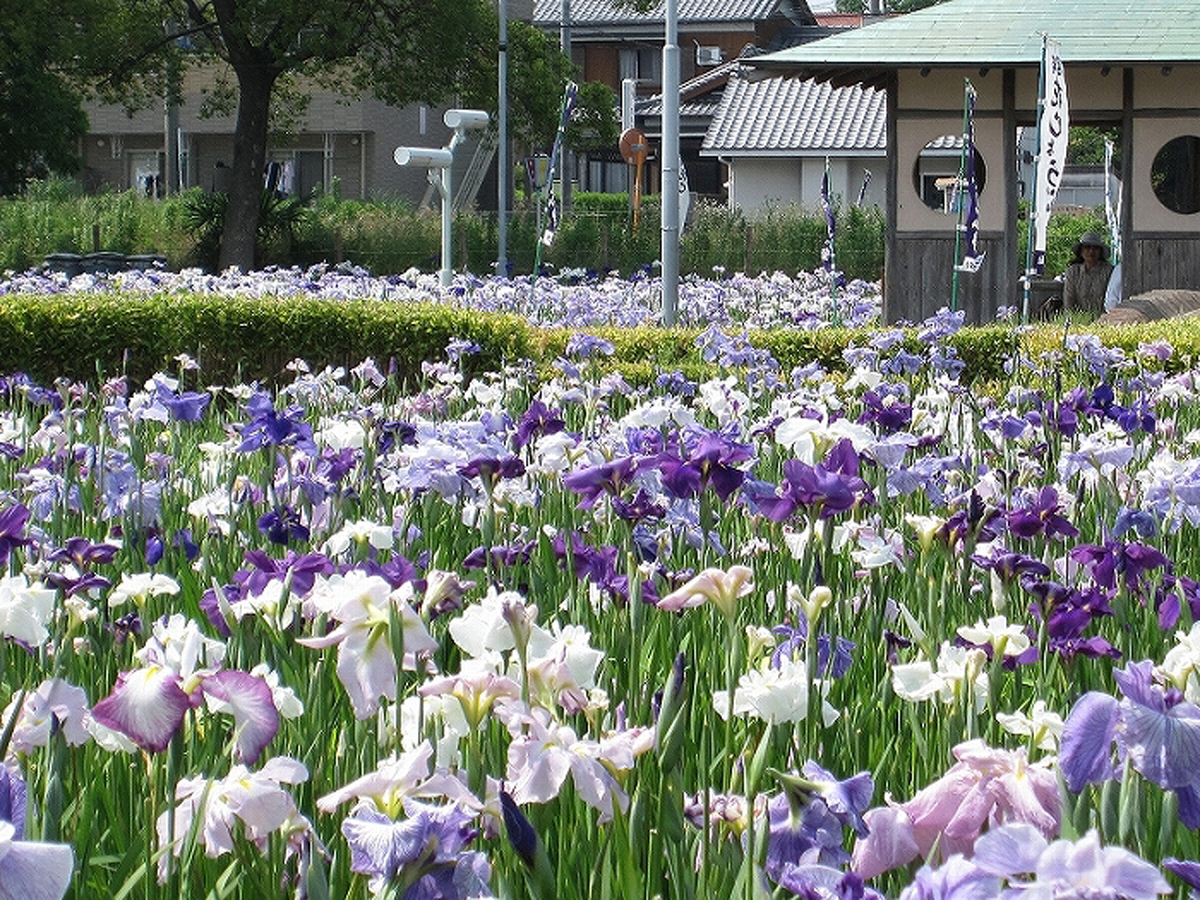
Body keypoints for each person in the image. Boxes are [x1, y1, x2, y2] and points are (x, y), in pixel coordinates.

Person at [1061, 231, 1114, 315]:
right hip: (1079, 320)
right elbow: (1069, 299)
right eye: (1087, 247)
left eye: (1095, 248)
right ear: (1081, 251)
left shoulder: (1109, 271)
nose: (1091, 251)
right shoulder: (1073, 271)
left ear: (1100, 252)